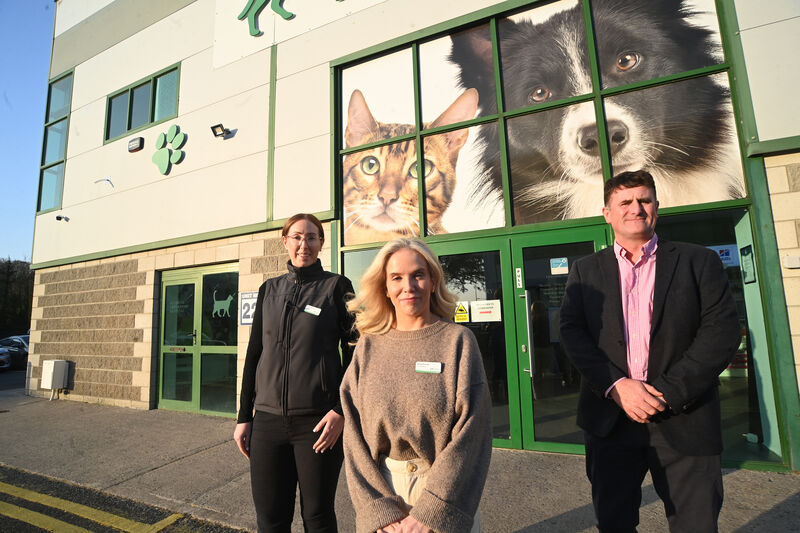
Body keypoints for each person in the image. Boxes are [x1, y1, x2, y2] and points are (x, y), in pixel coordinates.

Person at [559, 170, 741, 532]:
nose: (635, 208)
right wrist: (618, 386)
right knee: (614, 523)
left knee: (697, 525)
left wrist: (667, 392)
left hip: (684, 417)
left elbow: (721, 332)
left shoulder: (698, 261)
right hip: (610, 419)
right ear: (607, 213)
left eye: (644, 199)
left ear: (656, 206)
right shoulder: (585, 270)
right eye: (624, 202)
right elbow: (572, 333)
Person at [340, 238, 492, 533]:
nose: (408, 286)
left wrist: (433, 510)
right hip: (382, 494)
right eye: (396, 277)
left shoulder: (458, 341)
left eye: (418, 275)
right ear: (385, 287)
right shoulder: (368, 346)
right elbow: (354, 435)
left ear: (432, 281)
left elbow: (473, 433)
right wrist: (377, 510)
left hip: (446, 495)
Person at [234, 213, 357, 533]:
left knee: (317, 516)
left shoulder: (337, 287)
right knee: (271, 518)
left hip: (318, 423)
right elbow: (254, 355)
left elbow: (358, 353)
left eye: (312, 237)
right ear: (286, 241)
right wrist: (244, 416)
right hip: (267, 423)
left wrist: (340, 410)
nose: (305, 244)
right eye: (298, 237)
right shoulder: (268, 290)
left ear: (321, 243)